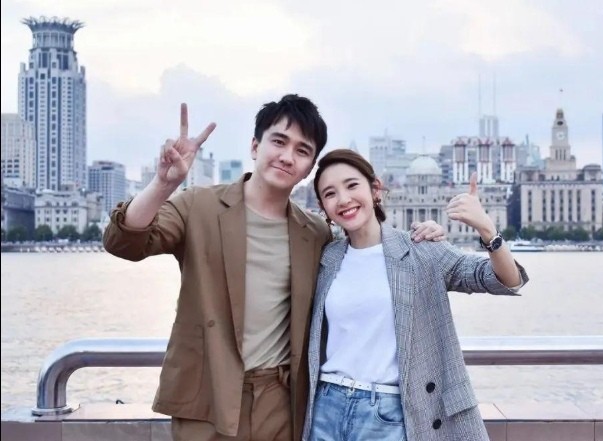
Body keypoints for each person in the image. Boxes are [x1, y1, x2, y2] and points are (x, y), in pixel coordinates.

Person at [103, 95, 444, 441]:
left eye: (302, 150)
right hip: (207, 398)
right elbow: (124, 242)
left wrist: (420, 237)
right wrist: (164, 184)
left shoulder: (315, 232)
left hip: (281, 402)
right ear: (255, 146)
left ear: (309, 168)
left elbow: (366, 261)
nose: (287, 156)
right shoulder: (199, 206)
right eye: (279, 142)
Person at [303, 149, 530, 441]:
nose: (344, 199)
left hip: (387, 411)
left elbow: (504, 280)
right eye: (330, 193)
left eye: (352, 185)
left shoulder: (421, 249)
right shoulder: (326, 257)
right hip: (326, 407)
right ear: (323, 206)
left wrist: (487, 229)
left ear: (375, 189)